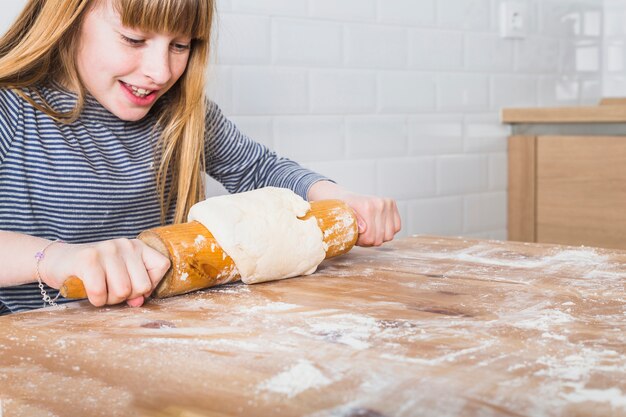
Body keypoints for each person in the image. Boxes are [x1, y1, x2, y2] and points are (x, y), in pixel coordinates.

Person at [0, 0, 401, 315]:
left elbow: (256, 168)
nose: (160, 71)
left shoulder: (181, 112)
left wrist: (335, 195)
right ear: (69, 17)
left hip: (144, 333)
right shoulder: (10, 109)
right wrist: (53, 259)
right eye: (134, 39)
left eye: (180, 45)